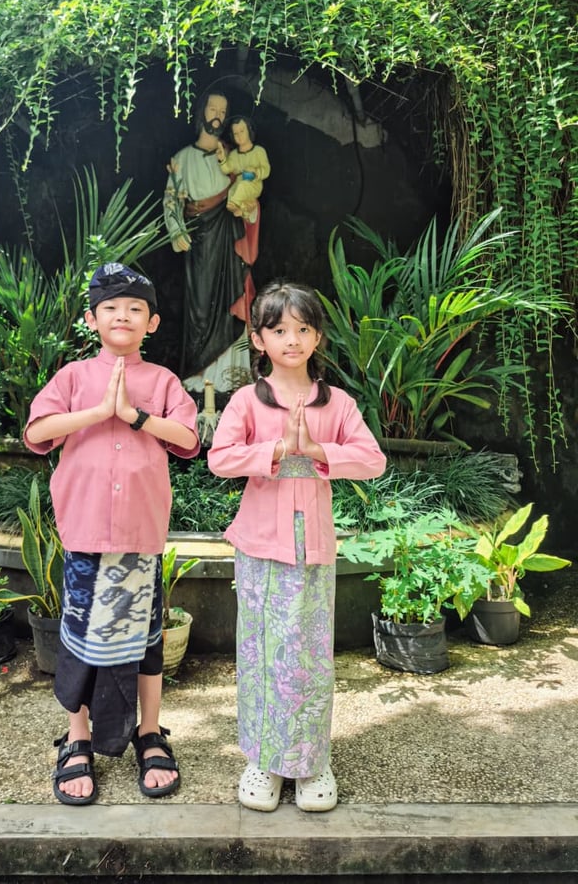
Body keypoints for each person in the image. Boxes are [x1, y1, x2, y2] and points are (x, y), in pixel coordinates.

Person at [23, 262, 200, 806]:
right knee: (78, 642)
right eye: (111, 309)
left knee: (146, 642)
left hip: (140, 535)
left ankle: (150, 732)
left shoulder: (164, 381)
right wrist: (99, 412)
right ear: (91, 318)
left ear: (152, 323)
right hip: (85, 531)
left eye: (135, 310)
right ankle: (77, 737)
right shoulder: (73, 377)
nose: (122, 316)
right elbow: (36, 431)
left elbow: (188, 440)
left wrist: (135, 415)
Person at [207, 281, 386, 812]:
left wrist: (316, 449)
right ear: (258, 339)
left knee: (309, 658)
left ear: (317, 337)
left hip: (314, 549)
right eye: (279, 329)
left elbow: (373, 461)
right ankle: (262, 759)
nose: (292, 339)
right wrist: (277, 449)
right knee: (261, 653)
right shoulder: (247, 400)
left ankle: (311, 762)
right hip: (260, 546)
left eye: (302, 329)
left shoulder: (337, 403)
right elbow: (220, 458)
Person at [163, 92, 260, 392]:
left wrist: (249, 209)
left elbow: (250, 195)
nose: (217, 115)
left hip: (230, 243)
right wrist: (176, 230)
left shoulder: (232, 159)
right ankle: (197, 379)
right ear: (200, 112)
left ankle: (233, 379)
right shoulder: (182, 159)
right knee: (200, 309)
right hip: (202, 244)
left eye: (223, 110)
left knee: (233, 301)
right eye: (212, 108)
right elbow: (171, 202)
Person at [215, 116, 270, 224]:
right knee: (232, 190)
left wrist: (256, 172)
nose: (239, 136)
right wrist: (222, 159)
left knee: (243, 186)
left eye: (242, 131)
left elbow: (266, 169)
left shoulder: (259, 151)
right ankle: (243, 211)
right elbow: (227, 169)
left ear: (249, 130)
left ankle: (235, 205)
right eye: (236, 133)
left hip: (254, 183)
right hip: (239, 183)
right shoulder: (234, 154)